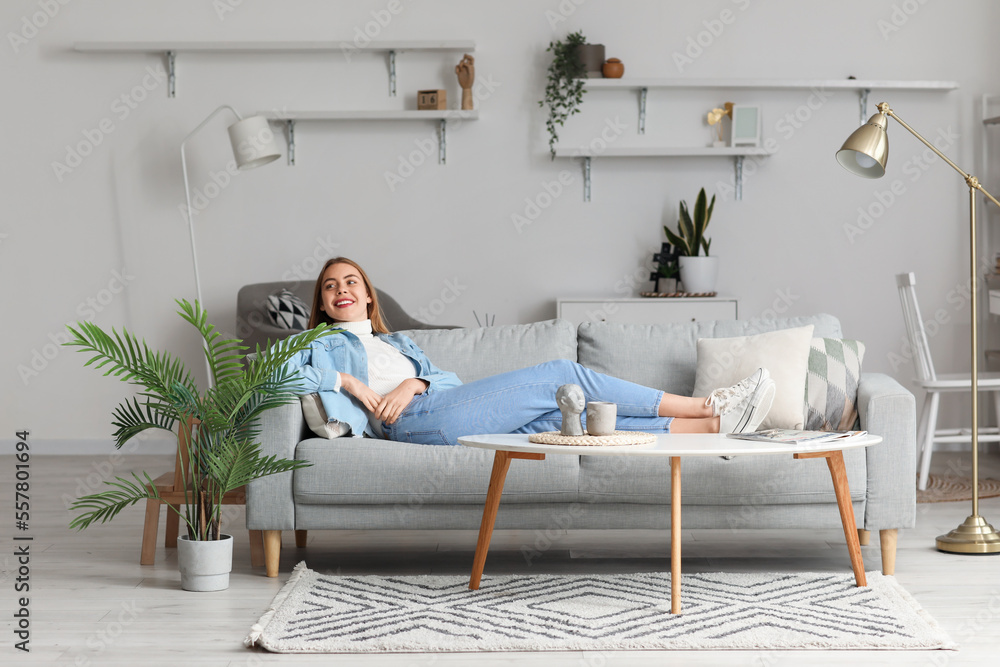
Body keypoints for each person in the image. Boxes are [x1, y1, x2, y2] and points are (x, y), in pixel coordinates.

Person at [283, 257, 775, 446]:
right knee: (560, 375)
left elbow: (448, 382)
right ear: (323, 304)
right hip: (405, 423)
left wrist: (415, 381)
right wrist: (346, 383)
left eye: (351, 281)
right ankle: (703, 404)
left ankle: (711, 426)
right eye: (330, 286)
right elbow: (276, 379)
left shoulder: (398, 342)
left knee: (563, 425)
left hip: (434, 402)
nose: (341, 289)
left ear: (369, 295)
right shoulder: (316, 343)